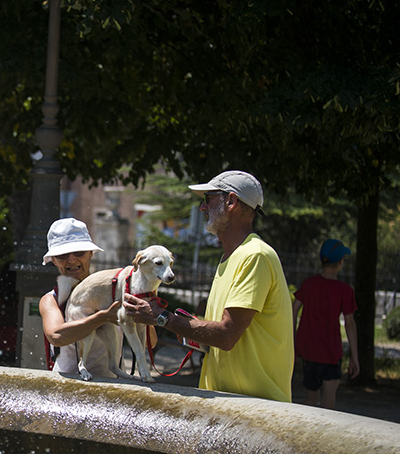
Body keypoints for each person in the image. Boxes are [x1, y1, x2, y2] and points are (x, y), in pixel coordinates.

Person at [122, 170, 294, 401]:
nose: (202, 208)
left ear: (231, 201)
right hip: (230, 402)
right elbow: (218, 335)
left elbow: (225, 336)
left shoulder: (255, 256)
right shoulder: (230, 258)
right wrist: (184, 326)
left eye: (208, 199)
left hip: (256, 407)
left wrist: (162, 318)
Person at [39, 218, 121, 378]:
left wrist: (145, 318)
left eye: (79, 252)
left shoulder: (115, 291)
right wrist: (104, 317)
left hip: (113, 388)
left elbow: (150, 343)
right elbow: (56, 336)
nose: (71, 259)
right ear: (54, 260)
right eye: (62, 255)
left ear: (90, 253)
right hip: (67, 390)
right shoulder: (51, 300)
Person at [292, 239, 359, 409]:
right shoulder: (345, 291)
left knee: (310, 400)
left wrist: (293, 341)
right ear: (341, 262)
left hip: (308, 352)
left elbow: (294, 310)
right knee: (328, 404)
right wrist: (355, 357)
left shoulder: (309, 284)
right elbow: (349, 324)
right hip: (330, 352)